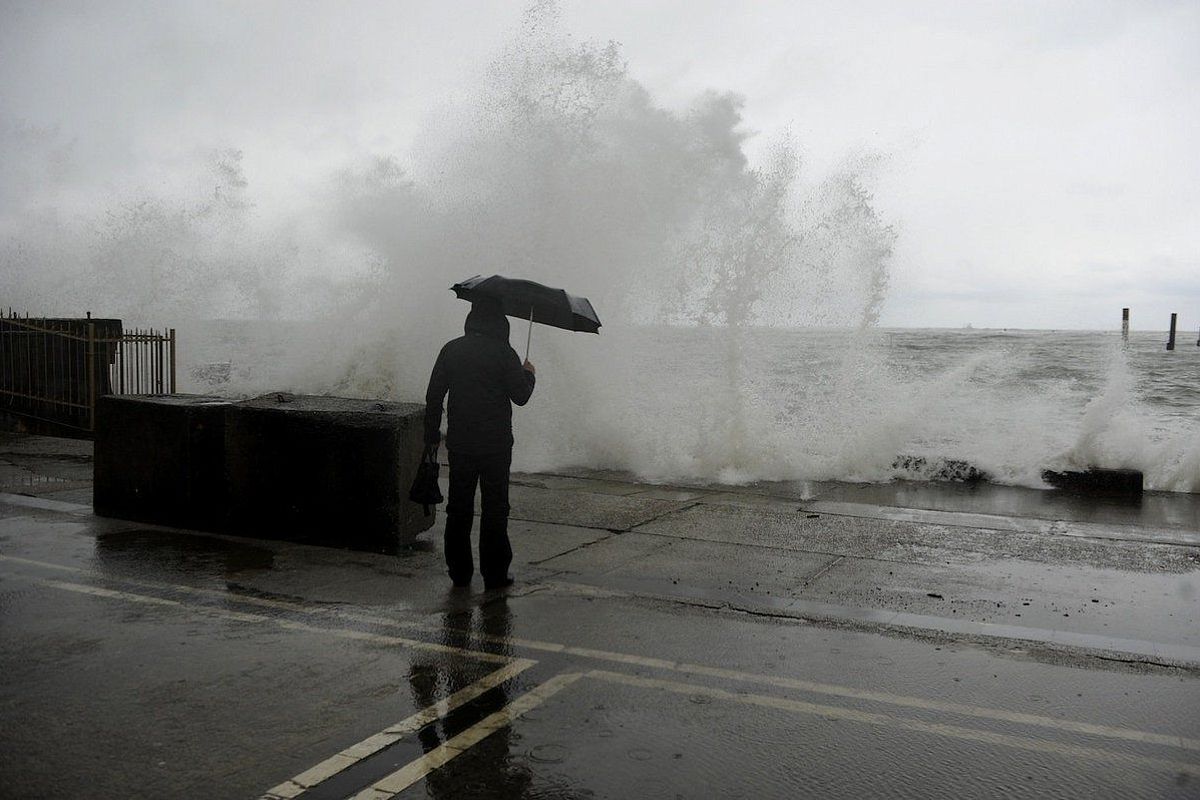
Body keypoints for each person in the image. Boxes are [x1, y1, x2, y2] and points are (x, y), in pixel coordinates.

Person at [424, 297, 535, 589]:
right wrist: (529, 375)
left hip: (460, 443)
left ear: (471, 318)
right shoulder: (504, 353)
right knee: (495, 509)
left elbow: (434, 397)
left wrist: (432, 437)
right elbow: (521, 396)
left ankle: (459, 572)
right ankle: (495, 573)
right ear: (501, 321)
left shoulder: (451, 349)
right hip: (496, 445)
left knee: (458, 509)